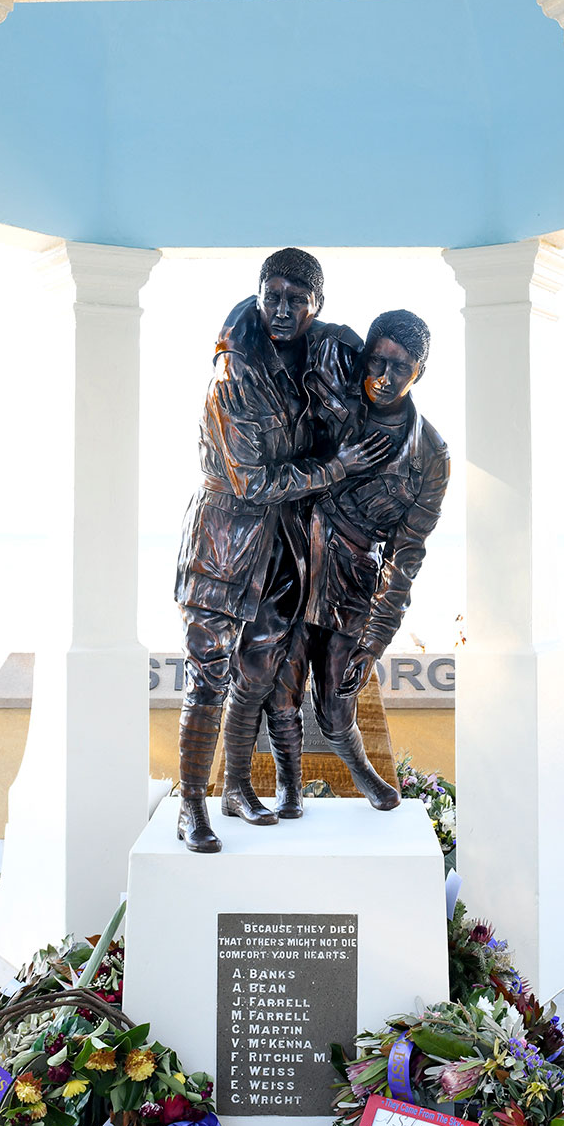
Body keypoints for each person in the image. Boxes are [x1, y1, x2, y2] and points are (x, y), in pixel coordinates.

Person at [173, 249, 392, 853]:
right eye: (274, 295)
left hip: (286, 544)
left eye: (298, 298)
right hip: (226, 539)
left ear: (317, 303)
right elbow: (251, 480)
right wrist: (333, 468)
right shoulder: (233, 375)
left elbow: (369, 398)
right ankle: (192, 805)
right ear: (259, 292)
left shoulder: (321, 355)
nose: (282, 308)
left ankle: (238, 788)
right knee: (208, 677)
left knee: (260, 672)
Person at [270, 308, 449, 810]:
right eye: (376, 361)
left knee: (336, 701)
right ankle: (289, 788)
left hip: (354, 579)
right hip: (295, 555)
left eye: (401, 367)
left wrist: (374, 640)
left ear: (419, 373)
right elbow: (305, 337)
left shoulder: (431, 456)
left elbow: (407, 554)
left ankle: (361, 770)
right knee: (280, 683)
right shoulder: (337, 402)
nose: (384, 377)